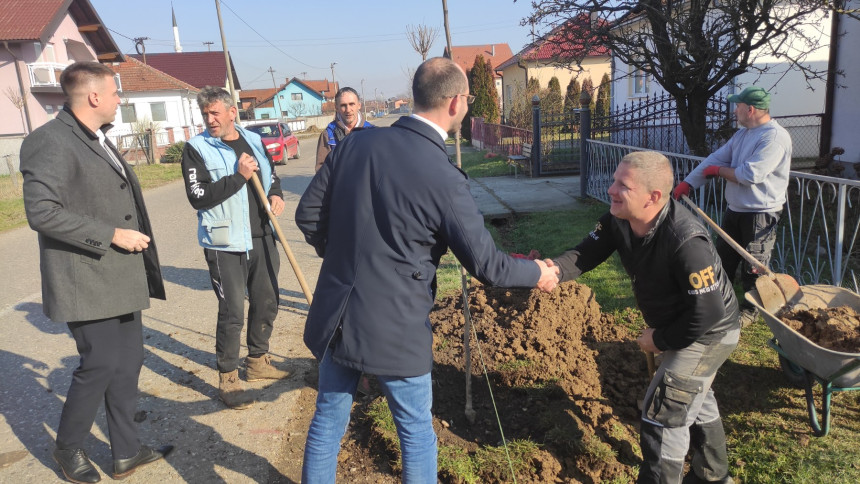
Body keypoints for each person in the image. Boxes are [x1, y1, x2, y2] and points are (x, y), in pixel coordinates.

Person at [295, 56, 559, 483]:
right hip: (397, 325)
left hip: (339, 312)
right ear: (456, 102)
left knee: (328, 418)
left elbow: (308, 217)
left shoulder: (354, 144)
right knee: (416, 432)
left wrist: (345, 258)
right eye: (469, 102)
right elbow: (487, 266)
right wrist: (539, 274)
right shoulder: (445, 177)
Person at [20, 61, 172, 483]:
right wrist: (112, 235)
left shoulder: (97, 138)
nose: (120, 99)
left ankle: (125, 451)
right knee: (100, 362)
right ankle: (67, 449)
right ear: (94, 97)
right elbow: (40, 212)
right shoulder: (48, 141)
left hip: (119, 275)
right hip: (85, 276)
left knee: (128, 361)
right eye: (116, 92)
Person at [547, 151, 739, 484]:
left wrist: (660, 340)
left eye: (623, 185)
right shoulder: (619, 219)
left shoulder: (686, 241)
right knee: (694, 396)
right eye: (614, 180)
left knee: (664, 410)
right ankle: (712, 475)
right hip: (682, 323)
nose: (610, 190)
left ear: (653, 197)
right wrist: (553, 270)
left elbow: (708, 312)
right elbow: (586, 252)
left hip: (709, 333)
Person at [181, 86, 289, 410]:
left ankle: (257, 360)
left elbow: (271, 176)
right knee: (232, 311)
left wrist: (277, 193)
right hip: (225, 242)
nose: (210, 119)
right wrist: (239, 178)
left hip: (262, 235)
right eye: (205, 114)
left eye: (215, 113)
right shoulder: (196, 149)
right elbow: (198, 196)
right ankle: (228, 376)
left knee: (267, 299)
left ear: (232, 112)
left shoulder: (253, 140)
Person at [673, 86, 792, 326]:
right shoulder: (743, 135)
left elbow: (751, 175)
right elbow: (715, 159)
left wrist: (718, 172)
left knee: (753, 265)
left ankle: (751, 310)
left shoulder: (774, 137)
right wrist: (688, 183)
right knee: (722, 260)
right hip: (735, 209)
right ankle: (718, 303)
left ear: (750, 110)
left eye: (737, 106)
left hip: (761, 213)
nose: (734, 110)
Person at [315, 86, 374, 172]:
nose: (348, 110)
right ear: (337, 108)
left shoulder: (372, 131)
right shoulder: (327, 135)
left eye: (351, 104)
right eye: (343, 105)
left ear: (359, 105)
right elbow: (321, 171)